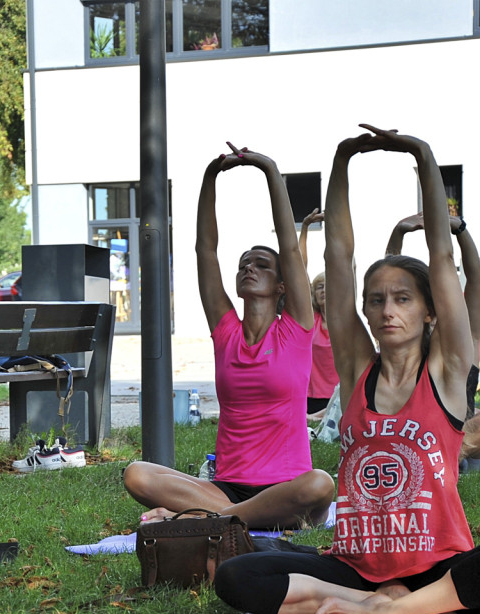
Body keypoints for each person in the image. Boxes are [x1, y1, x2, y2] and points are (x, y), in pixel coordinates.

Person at [213, 125, 480, 614]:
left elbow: (441, 255)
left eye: (402, 298)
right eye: (376, 300)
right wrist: (343, 159)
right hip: (354, 566)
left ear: (430, 311)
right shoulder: (356, 371)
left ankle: (390, 611)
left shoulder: (449, 369)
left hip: (436, 568)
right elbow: (339, 257)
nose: (386, 310)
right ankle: (372, 601)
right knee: (235, 576)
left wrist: (422, 155)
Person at [122, 147, 335, 531]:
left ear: (283, 284)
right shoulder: (227, 332)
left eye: (261, 265)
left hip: (288, 486)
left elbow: (289, 246)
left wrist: (270, 170)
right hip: (228, 488)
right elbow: (205, 250)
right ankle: (223, 517)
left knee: (321, 484)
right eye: (244, 265)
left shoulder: (296, 328)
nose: (249, 268)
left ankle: (205, 520)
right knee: (138, 474)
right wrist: (209, 178)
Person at [385, 213, 480, 464]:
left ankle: (451, 456)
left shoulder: (467, 339)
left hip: (459, 438)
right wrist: (399, 231)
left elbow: (476, 280)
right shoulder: (411, 341)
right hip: (412, 434)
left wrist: (461, 230)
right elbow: (388, 277)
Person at [298, 209, 339, 424]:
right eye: (319, 287)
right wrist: (304, 228)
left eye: (328, 286)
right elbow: (299, 269)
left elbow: (344, 259)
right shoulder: (310, 319)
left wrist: (333, 226)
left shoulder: (343, 321)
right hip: (309, 395)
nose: (324, 290)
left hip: (338, 397)